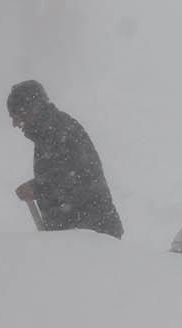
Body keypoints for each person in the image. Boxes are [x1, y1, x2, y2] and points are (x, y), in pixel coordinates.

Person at [7, 80, 124, 239]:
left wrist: (36, 188)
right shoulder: (47, 136)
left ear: (33, 108)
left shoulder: (62, 130)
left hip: (92, 235)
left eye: (17, 115)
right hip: (79, 234)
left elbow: (76, 176)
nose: (15, 123)